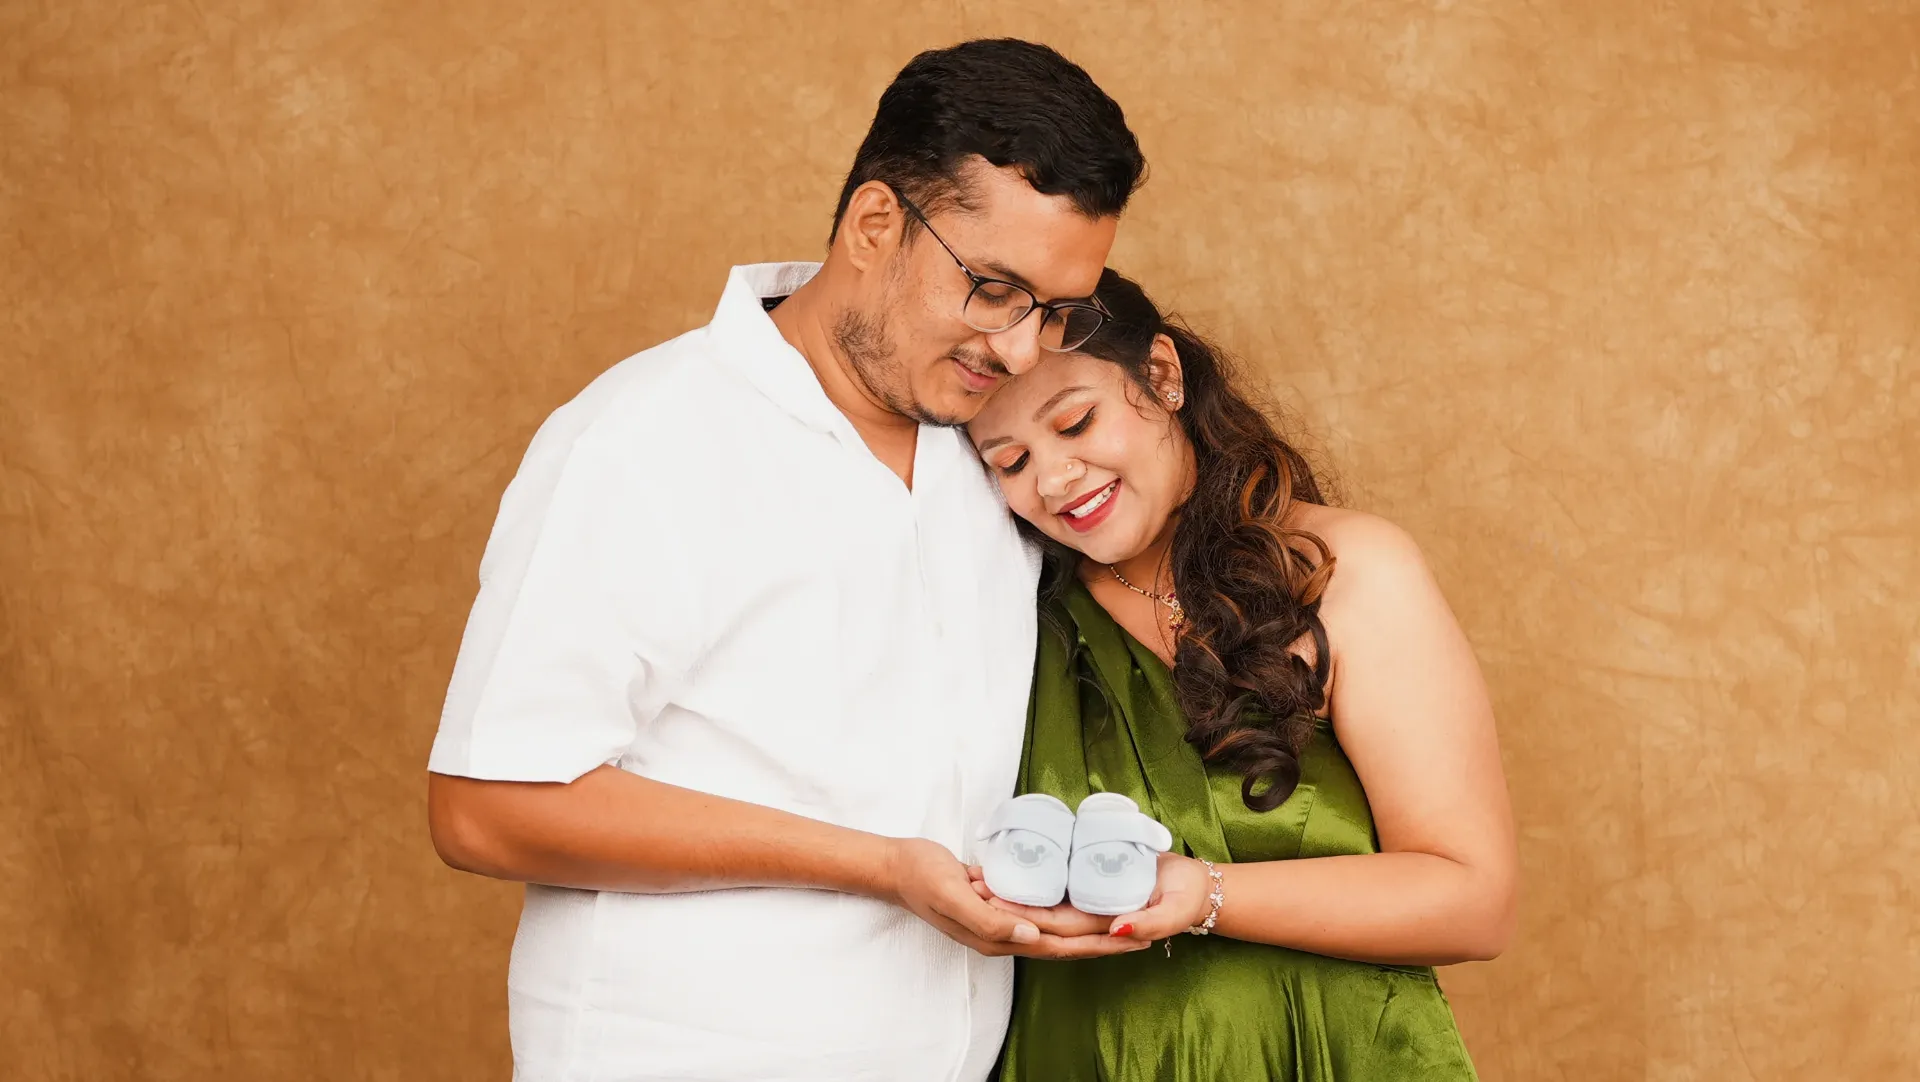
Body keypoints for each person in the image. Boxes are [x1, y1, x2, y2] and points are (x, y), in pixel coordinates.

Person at [424, 40, 1149, 1081]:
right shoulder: (643, 439)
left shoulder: (1001, 452)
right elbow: (486, 806)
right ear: (875, 224)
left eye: (1058, 310)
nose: (1022, 349)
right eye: (995, 290)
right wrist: (879, 867)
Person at [965, 268, 1518, 1080]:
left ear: (1162, 375)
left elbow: (1474, 901)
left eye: (1076, 422)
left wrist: (1206, 895)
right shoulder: (1012, 611)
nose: (1053, 481)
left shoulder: (1343, 571)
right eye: (1010, 463)